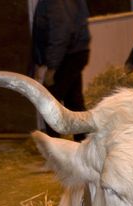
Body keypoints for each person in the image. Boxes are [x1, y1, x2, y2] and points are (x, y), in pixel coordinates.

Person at [32, 0, 91, 142]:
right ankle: (83, 142)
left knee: (49, 101)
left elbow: (61, 33)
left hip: (66, 55)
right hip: (73, 53)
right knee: (74, 100)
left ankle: (54, 144)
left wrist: (52, 67)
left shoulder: (56, 3)